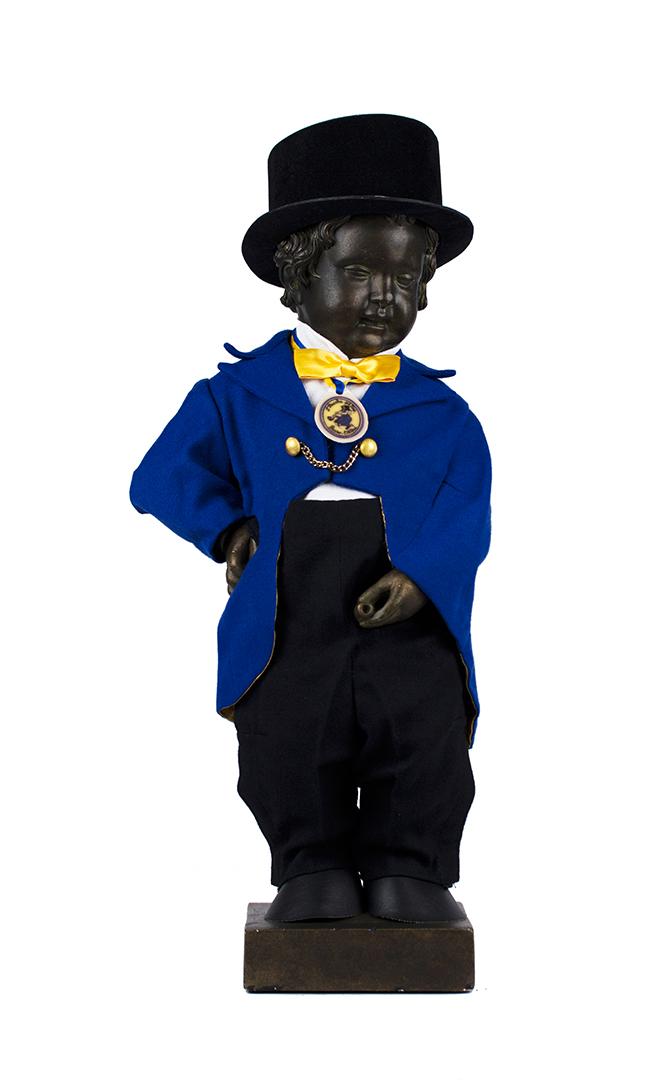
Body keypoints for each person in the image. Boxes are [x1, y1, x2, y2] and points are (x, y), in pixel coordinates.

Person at [130, 114, 492, 923]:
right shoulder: (235, 394)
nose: (384, 296)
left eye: (405, 277)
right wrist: (228, 529)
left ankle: (410, 869)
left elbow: (468, 506)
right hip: (286, 600)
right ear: (299, 274)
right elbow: (161, 474)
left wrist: (422, 575)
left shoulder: (445, 413)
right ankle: (310, 865)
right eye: (359, 270)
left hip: (406, 603)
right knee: (290, 729)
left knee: (421, 728)